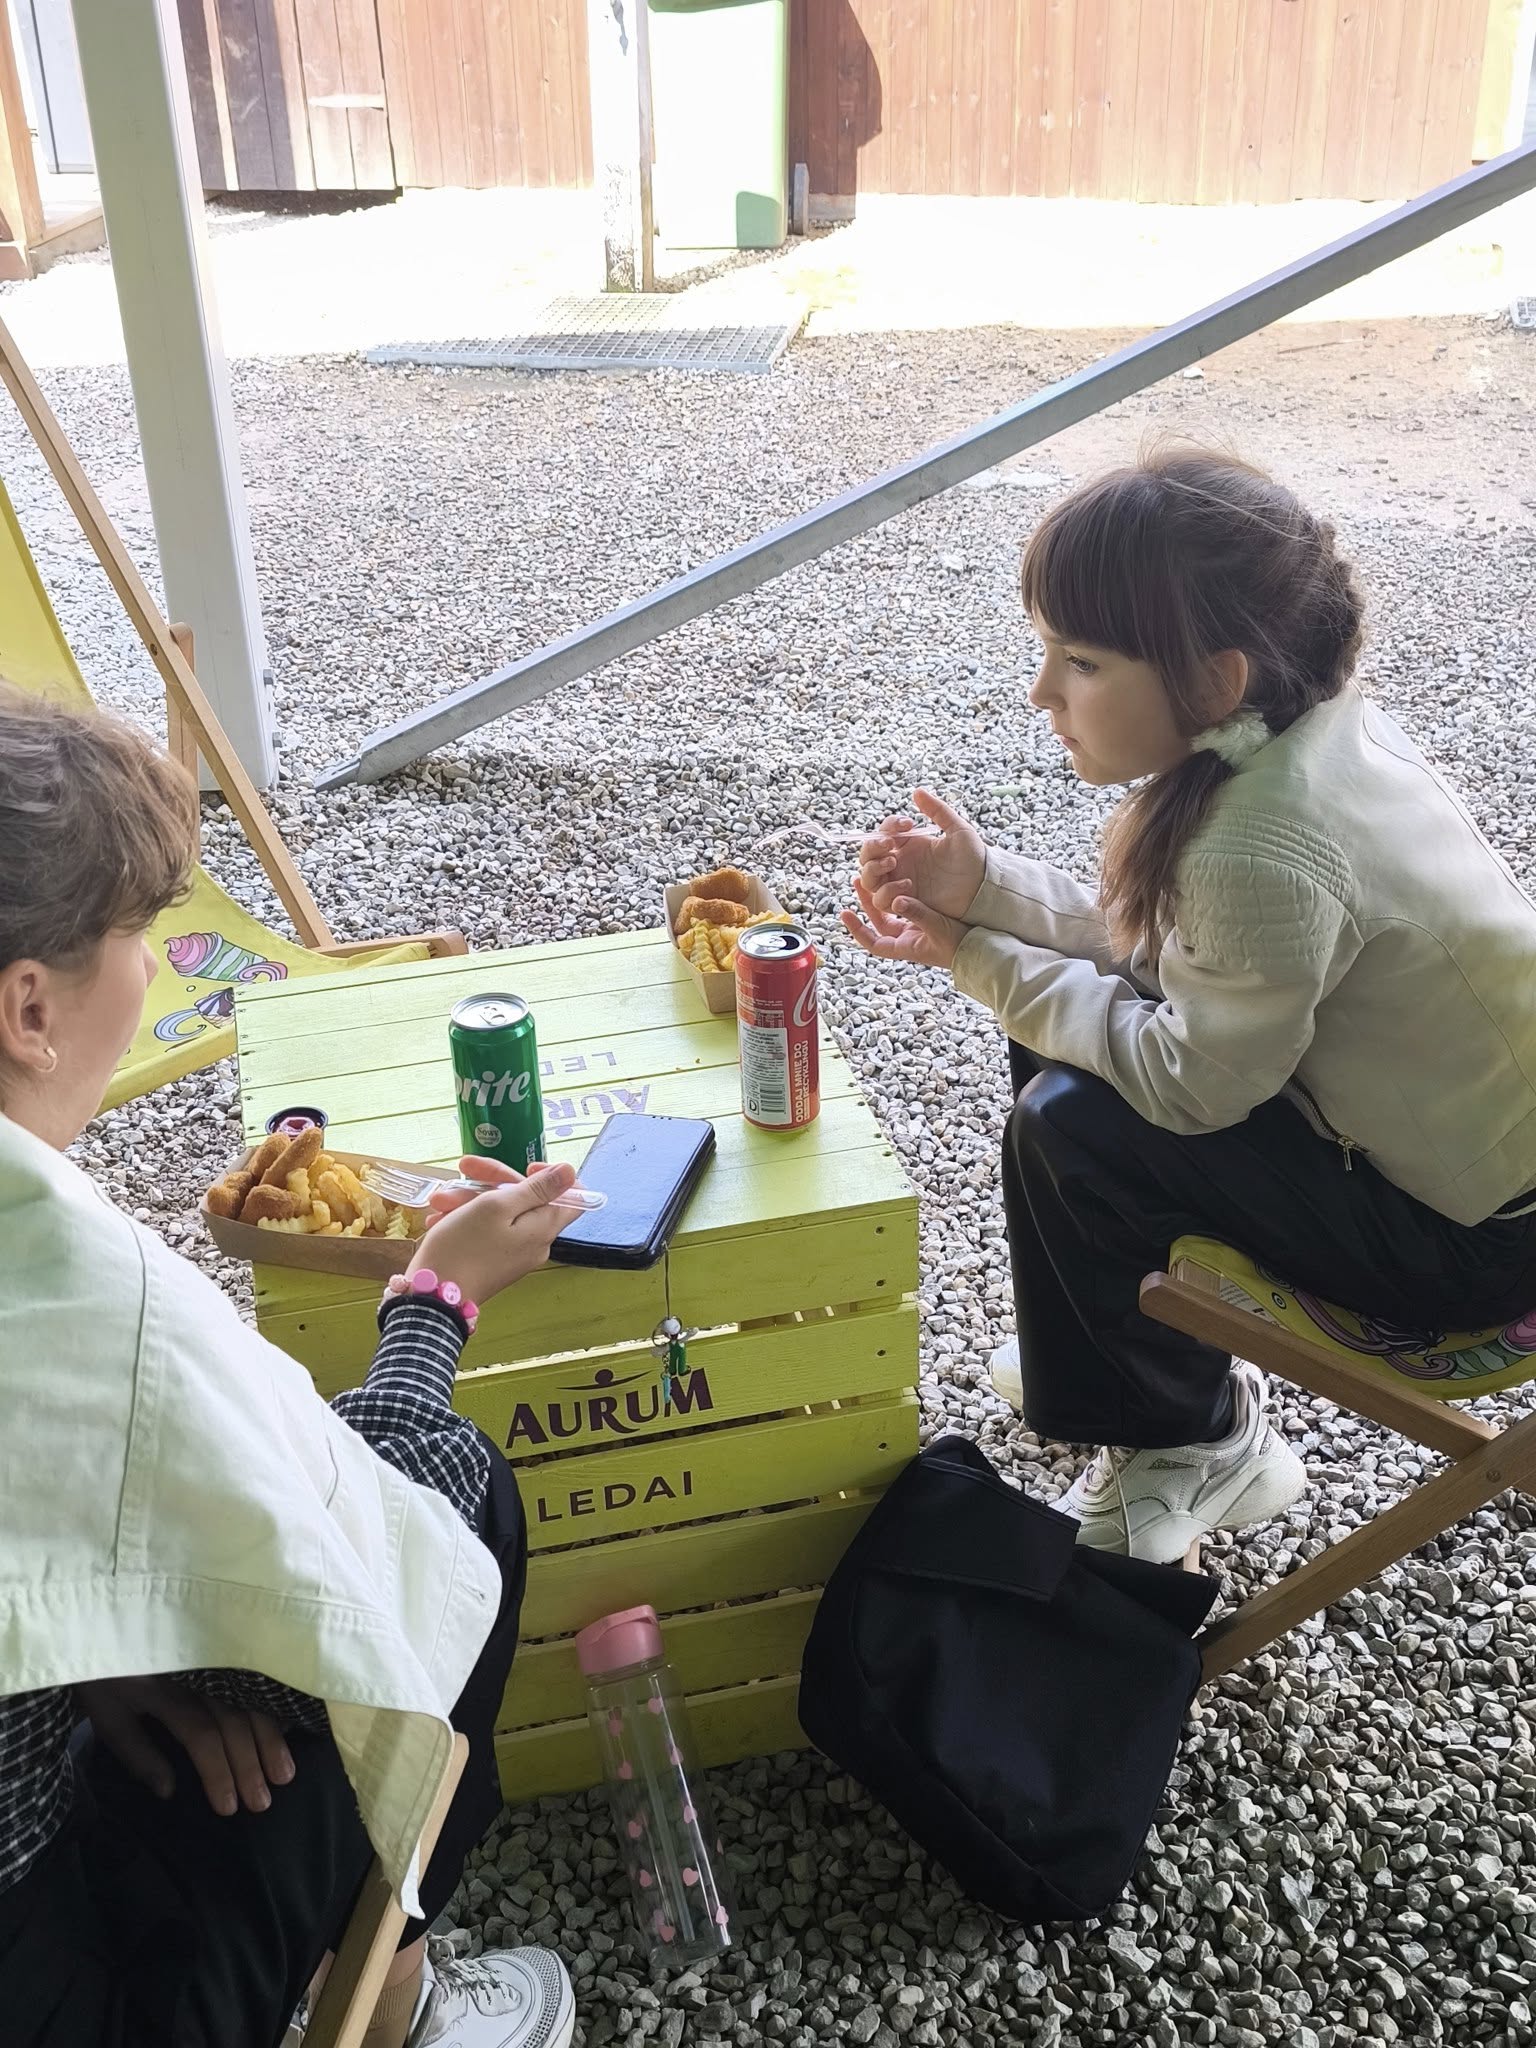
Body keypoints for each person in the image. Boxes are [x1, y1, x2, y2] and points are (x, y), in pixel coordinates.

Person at [0, 684, 582, 2048]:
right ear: (28, 1006)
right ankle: (396, 2009)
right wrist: (435, 1298)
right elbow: (364, 1555)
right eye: (139, 936)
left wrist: (91, 1662)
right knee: (459, 1489)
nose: (151, 972)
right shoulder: (57, 1283)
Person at [843, 446, 1536, 1564]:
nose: (1042, 692)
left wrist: (973, 955)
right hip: (1457, 1177)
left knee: (1074, 1119)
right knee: (1068, 1045)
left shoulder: (1262, 842)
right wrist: (986, 896)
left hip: (1474, 1252)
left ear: (1214, 682)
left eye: (1080, 660)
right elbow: (1176, 959)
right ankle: (1103, 1364)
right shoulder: (1305, 734)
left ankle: (1200, 1438)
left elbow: (1188, 1085)